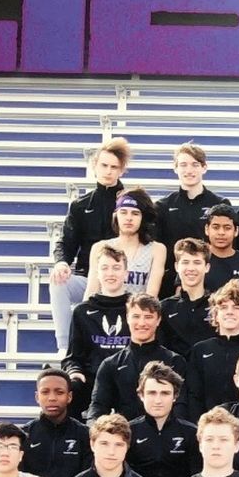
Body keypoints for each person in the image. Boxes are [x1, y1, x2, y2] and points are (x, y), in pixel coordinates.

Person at [50, 137, 130, 351]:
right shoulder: (80, 206)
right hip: (88, 278)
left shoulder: (132, 204)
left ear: (122, 170)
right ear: (94, 166)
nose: (108, 171)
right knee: (58, 282)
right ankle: (65, 348)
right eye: (104, 165)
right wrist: (61, 263)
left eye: (114, 167)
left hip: (126, 279)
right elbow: (66, 242)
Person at [88, 293, 184, 420]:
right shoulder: (111, 364)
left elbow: (181, 407)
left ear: (158, 320)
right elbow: (98, 407)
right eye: (136, 316)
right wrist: (94, 428)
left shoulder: (174, 361)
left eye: (148, 317)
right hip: (123, 431)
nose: (142, 323)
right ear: (127, 318)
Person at [184, 280, 239, 418]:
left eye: (236, 308)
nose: (230, 312)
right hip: (210, 425)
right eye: (224, 307)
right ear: (215, 315)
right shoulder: (200, 350)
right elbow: (194, 395)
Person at [62, 243, 131, 414]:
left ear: (126, 273)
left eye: (116, 268)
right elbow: (72, 357)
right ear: (97, 273)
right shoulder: (82, 311)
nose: (110, 273)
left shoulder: (138, 309)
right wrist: (74, 372)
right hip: (92, 382)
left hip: (130, 381)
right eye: (105, 268)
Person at [155, 142, 230, 285]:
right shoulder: (163, 206)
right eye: (183, 165)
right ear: (175, 168)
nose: (189, 170)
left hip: (211, 280)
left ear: (204, 168)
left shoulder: (220, 204)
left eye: (195, 165)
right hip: (172, 283)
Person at [127, 361, 201, 477]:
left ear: (175, 396)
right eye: (152, 393)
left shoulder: (191, 433)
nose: (158, 400)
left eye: (165, 393)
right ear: (141, 395)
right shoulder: (128, 432)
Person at [83, 188, 165, 301]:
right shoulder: (100, 247)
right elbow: (92, 290)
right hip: (105, 308)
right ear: (116, 216)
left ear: (143, 218)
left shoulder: (157, 249)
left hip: (139, 310)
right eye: (123, 212)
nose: (129, 218)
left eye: (135, 213)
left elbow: (151, 297)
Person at [20, 368, 91, 477]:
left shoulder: (85, 435)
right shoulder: (24, 435)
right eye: (45, 392)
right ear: (37, 397)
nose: (52, 398)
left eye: (59, 392)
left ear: (69, 397)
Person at [159, 238, 213, 359]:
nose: (191, 268)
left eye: (197, 262)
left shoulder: (218, 306)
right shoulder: (164, 308)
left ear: (207, 267)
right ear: (176, 266)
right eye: (185, 262)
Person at [202, 203, 239, 294]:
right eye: (216, 227)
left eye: (227, 228)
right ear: (207, 229)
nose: (221, 232)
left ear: (236, 231)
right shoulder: (197, 261)